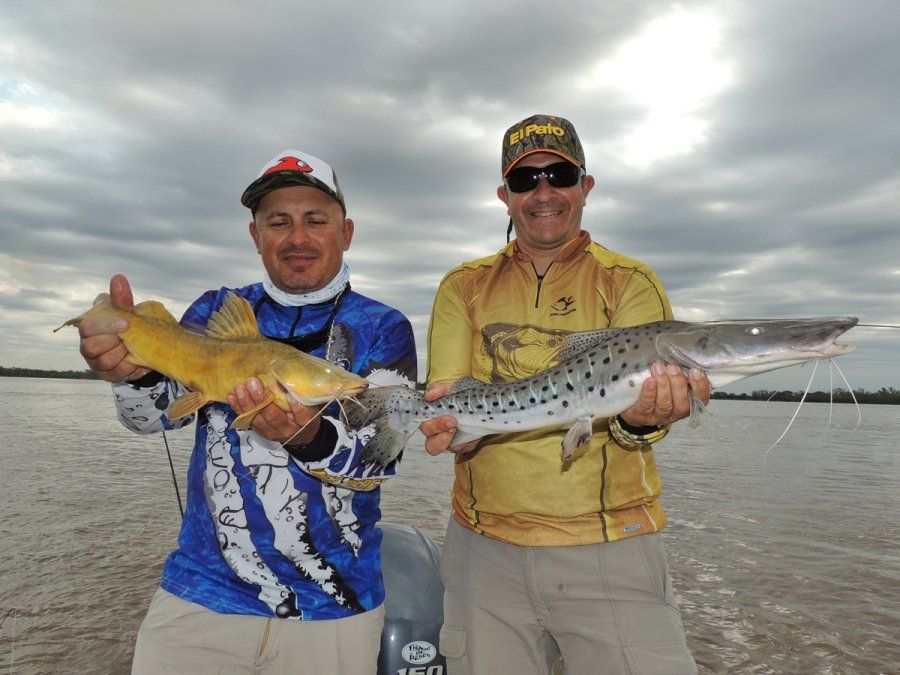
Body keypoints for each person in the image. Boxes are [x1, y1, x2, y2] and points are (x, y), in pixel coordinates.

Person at [77, 149, 417, 674]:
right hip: (200, 594)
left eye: (315, 220)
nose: (297, 237)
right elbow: (151, 418)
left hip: (335, 604)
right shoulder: (216, 309)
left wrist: (307, 437)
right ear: (255, 235)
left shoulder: (384, 327)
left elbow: (379, 460)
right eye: (278, 222)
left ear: (345, 233)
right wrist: (131, 375)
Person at [420, 114, 711, 674]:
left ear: (586, 186)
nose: (543, 192)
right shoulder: (463, 285)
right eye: (524, 180)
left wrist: (646, 419)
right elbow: (451, 396)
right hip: (484, 549)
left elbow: (637, 426)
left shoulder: (629, 281)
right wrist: (451, 432)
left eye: (559, 175)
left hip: (612, 546)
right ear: (504, 196)